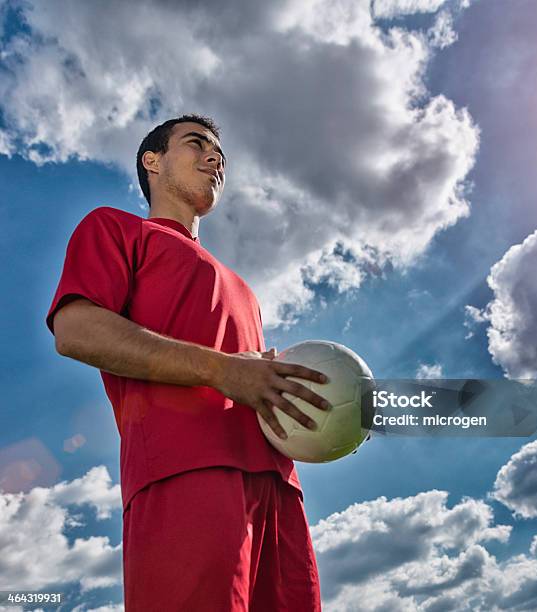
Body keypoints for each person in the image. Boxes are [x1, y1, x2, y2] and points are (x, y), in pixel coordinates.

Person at [45, 114, 329, 611]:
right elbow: (75, 331)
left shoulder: (243, 288)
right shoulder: (116, 229)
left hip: (279, 491)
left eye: (219, 153)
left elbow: (252, 378)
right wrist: (222, 371)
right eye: (196, 144)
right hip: (185, 473)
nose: (214, 157)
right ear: (151, 162)